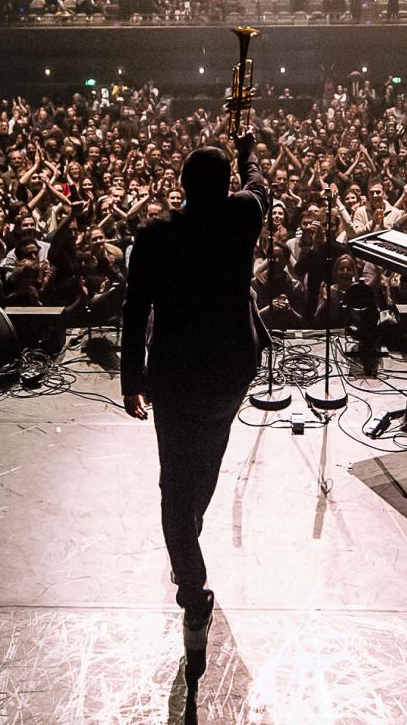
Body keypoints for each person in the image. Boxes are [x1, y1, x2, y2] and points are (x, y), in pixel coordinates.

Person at [121, 129, 270, 656]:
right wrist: (248, 150)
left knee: (174, 483)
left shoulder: (155, 236)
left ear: (180, 186)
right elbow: (260, 185)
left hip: (175, 376)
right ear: (227, 187)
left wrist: (130, 378)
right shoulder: (243, 217)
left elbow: (135, 310)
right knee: (205, 464)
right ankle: (190, 554)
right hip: (229, 371)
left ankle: (191, 587)